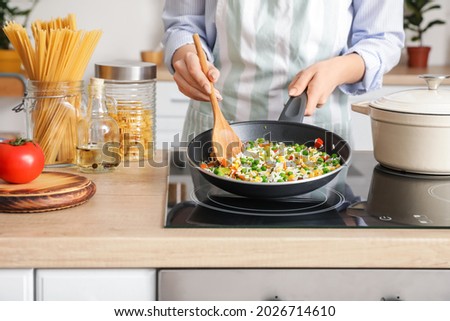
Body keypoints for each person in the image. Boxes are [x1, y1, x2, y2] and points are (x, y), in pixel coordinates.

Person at [162, 1, 404, 146]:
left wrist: (340, 69)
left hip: (318, 130)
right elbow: (184, 24)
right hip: (220, 125)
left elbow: (382, 39)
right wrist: (186, 55)